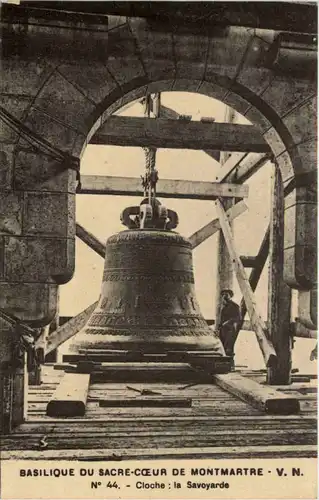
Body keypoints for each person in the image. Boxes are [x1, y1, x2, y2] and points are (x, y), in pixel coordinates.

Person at [217, 289, 241, 369]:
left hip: (230, 329)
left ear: (230, 296)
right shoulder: (224, 307)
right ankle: (224, 365)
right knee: (223, 347)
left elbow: (237, 318)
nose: (224, 296)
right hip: (223, 330)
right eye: (223, 295)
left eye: (226, 294)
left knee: (229, 347)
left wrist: (227, 322)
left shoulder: (235, 306)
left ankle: (230, 366)